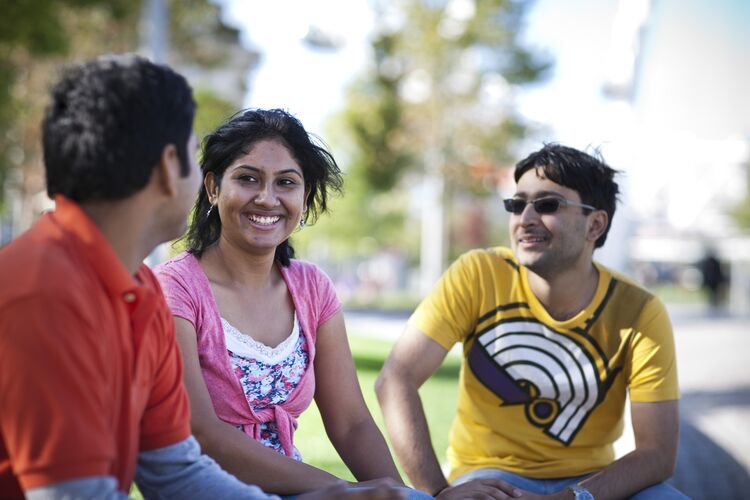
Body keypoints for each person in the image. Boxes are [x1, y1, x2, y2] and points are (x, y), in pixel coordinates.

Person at [0, 54, 399, 500]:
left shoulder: (140, 290)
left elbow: (174, 470)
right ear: (174, 169)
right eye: (195, 155)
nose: (267, 198)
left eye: (286, 183)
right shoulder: (44, 291)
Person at [375, 144, 688, 499]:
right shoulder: (478, 273)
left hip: (588, 483)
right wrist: (438, 492)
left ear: (595, 225)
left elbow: (657, 453)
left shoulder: (640, 311)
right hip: (489, 478)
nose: (525, 218)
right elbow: (396, 378)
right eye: (517, 203)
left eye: (547, 204)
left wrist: (571, 498)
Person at [154, 109, 428, 499]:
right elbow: (200, 431)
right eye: (247, 178)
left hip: (299, 492)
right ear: (213, 187)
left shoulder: (312, 287)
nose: (267, 198)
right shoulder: (175, 288)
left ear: (304, 196)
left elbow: (351, 423)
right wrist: (345, 491)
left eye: (286, 182)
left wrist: (397, 495)